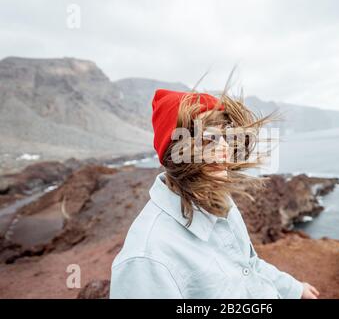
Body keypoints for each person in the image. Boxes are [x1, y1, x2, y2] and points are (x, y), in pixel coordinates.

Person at [109, 87, 319, 299]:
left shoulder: (221, 202)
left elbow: (248, 264)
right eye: (210, 138)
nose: (225, 148)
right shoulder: (147, 258)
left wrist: (295, 289)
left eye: (226, 137)